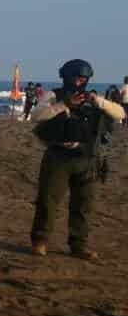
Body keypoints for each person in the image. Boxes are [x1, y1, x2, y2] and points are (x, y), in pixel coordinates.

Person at [29, 58, 124, 259]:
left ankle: (78, 245)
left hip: (87, 158)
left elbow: (120, 113)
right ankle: (40, 241)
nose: (80, 82)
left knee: (84, 205)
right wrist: (64, 105)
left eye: (83, 79)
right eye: (76, 78)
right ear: (66, 77)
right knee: (48, 201)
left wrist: (98, 101)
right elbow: (37, 115)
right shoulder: (54, 96)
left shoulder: (94, 98)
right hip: (58, 157)